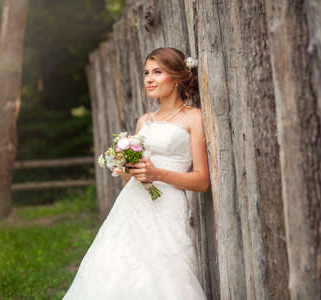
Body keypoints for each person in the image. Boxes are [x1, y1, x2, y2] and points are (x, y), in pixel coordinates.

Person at [62, 47, 210, 299]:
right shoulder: (145, 121)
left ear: (176, 77)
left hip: (167, 207)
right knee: (117, 266)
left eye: (157, 72)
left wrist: (157, 174)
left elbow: (202, 180)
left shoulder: (193, 118)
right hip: (132, 204)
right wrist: (125, 166)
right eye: (146, 73)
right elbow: (135, 172)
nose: (148, 79)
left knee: (164, 273)